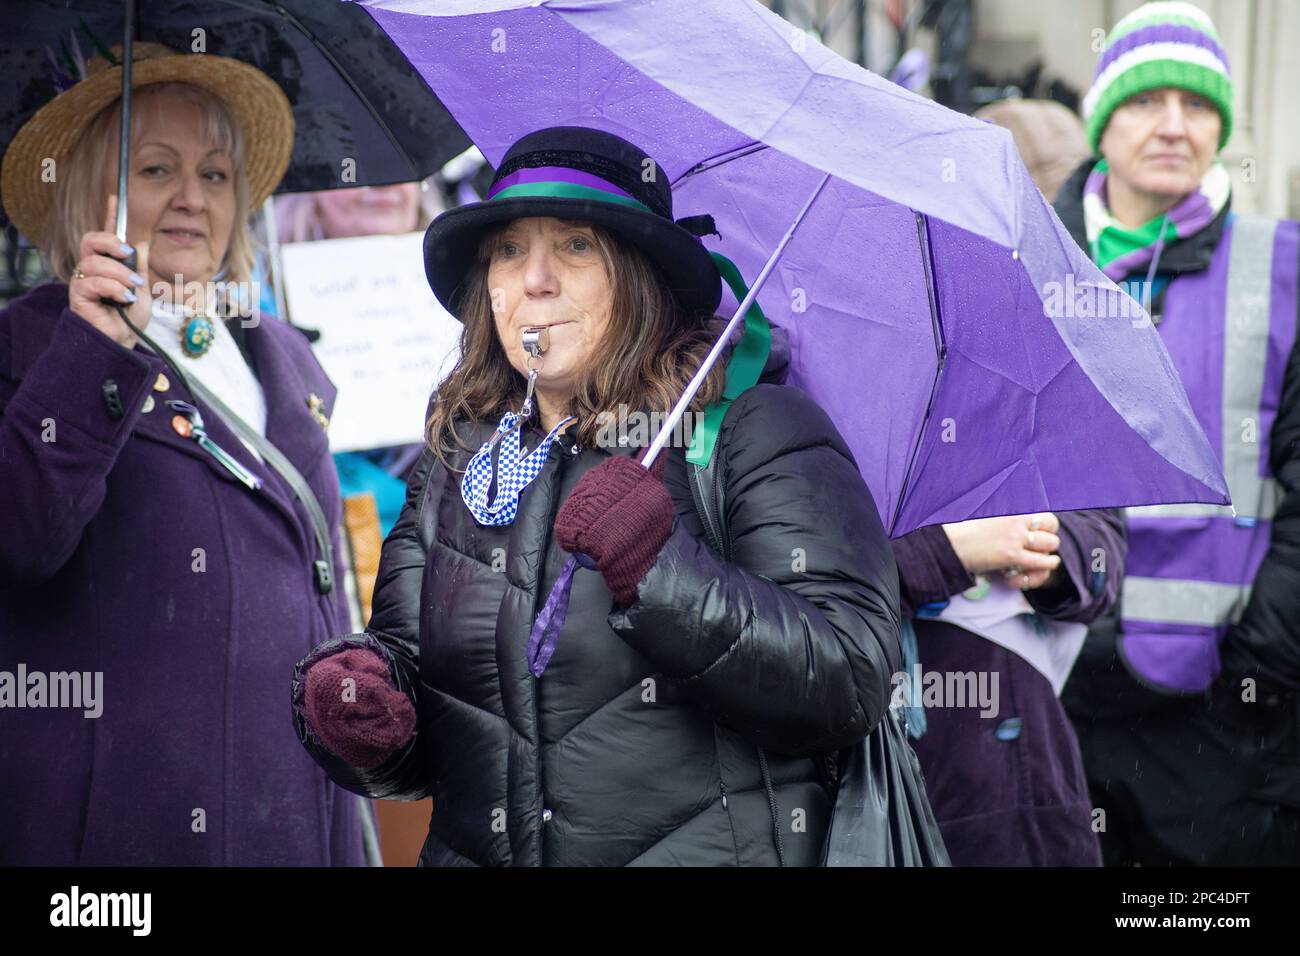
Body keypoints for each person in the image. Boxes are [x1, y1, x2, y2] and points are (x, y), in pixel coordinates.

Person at [290, 126, 904, 866]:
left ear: (638, 274)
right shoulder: (458, 460)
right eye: (510, 250)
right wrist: (367, 718)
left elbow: (852, 676)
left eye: (576, 246)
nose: (535, 280)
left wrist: (662, 575)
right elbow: (428, 734)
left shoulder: (751, 429)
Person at [0, 43, 372, 865]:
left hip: (292, 814)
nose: (190, 200)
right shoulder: (26, 348)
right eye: (156, 170)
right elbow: (21, 540)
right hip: (120, 834)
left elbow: (325, 593)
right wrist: (88, 350)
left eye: (214, 176)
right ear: (92, 191)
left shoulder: (284, 356)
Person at [1055, 1, 1300, 864]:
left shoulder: (1284, 268)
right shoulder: (1026, 257)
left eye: (1196, 105)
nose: (1172, 126)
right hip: (1044, 693)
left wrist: (1259, 669)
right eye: (1144, 100)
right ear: (1102, 118)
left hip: (1217, 728)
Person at [892, 510, 1123, 865]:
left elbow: (1103, 551)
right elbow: (801, 571)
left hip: (1018, 776)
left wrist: (1046, 550)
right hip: (863, 760)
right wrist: (947, 549)